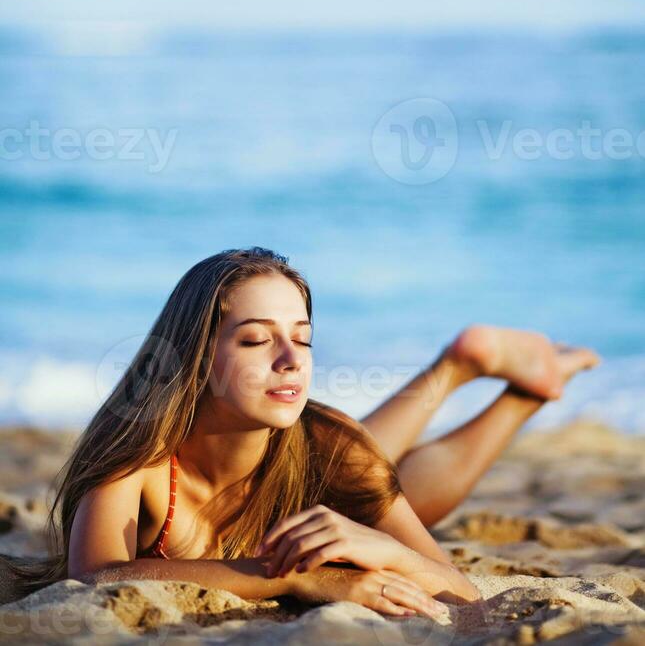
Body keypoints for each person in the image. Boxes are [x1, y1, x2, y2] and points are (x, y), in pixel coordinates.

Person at [4, 248, 599, 618]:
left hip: (320, 451)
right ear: (196, 358)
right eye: (258, 339)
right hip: (310, 458)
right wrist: (293, 575)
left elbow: (460, 591)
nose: (292, 358)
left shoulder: (328, 442)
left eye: (304, 337)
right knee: (378, 470)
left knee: (366, 470)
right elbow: (94, 577)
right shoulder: (140, 450)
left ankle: (489, 381)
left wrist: (383, 549)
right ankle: (478, 374)